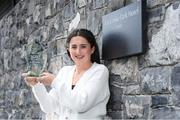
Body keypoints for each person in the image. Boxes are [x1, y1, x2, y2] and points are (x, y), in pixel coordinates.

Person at [22, 28, 110, 120]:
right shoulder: (65, 72)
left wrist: (54, 82)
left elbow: (81, 104)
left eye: (83, 46)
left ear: (92, 49)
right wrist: (36, 85)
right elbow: (49, 107)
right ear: (69, 50)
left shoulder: (100, 71)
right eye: (74, 47)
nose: (78, 51)